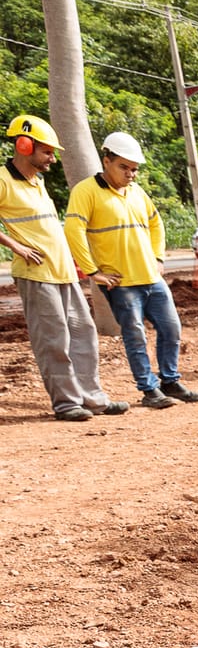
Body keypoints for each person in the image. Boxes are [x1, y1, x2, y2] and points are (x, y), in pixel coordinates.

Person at [65, 131, 198, 411]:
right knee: (134, 334)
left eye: (134, 169)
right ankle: (149, 389)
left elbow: (156, 224)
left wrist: (158, 258)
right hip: (121, 282)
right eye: (123, 167)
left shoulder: (137, 192)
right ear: (106, 161)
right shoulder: (86, 191)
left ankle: (170, 381)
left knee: (171, 328)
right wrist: (92, 271)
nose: (130, 174)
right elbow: (73, 231)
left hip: (152, 277)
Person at [3, 115, 120, 422]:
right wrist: (15, 246)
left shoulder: (36, 181)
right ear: (24, 145)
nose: (52, 159)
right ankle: (66, 403)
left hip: (63, 270)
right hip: (36, 273)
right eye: (47, 152)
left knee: (84, 334)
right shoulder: (2, 179)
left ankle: (92, 399)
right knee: (53, 340)